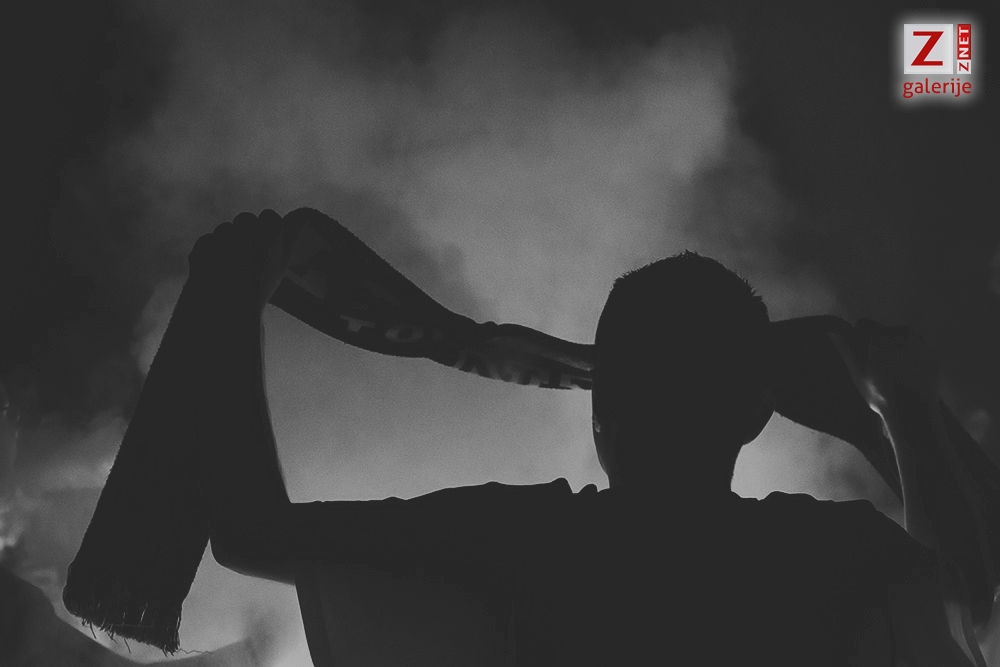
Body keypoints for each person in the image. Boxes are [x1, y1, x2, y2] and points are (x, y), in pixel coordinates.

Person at [179, 209, 990, 666]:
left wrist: (228, 302)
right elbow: (963, 600)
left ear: (600, 411)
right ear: (753, 414)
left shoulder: (522, 536)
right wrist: (906, 409)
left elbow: (253, 532)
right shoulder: (829, 549)